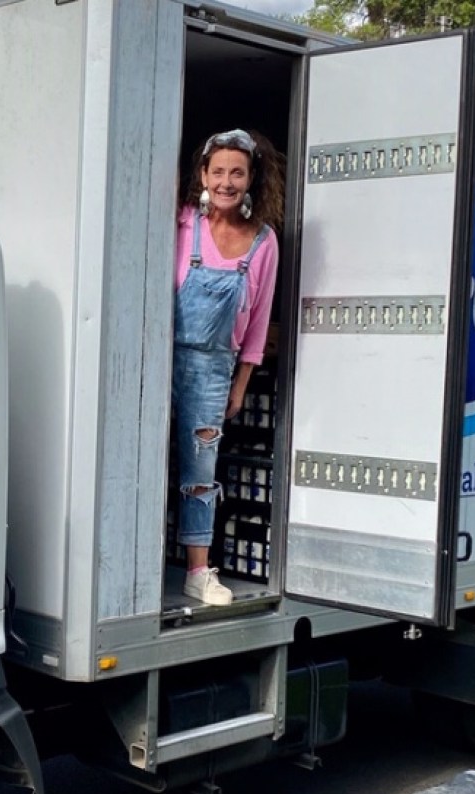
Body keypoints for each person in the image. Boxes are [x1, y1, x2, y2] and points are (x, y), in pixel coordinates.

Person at [174, 128, 284, 606]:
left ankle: (197, 572)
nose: (225, 181)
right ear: (203, 174)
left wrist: (240, 384)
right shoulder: (181, 224)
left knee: (200, 471)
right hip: (157, 357)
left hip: (214, 371)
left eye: (236, 172)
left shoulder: (263, 243)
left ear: (250, 179)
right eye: (217, 171)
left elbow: (258, 326)